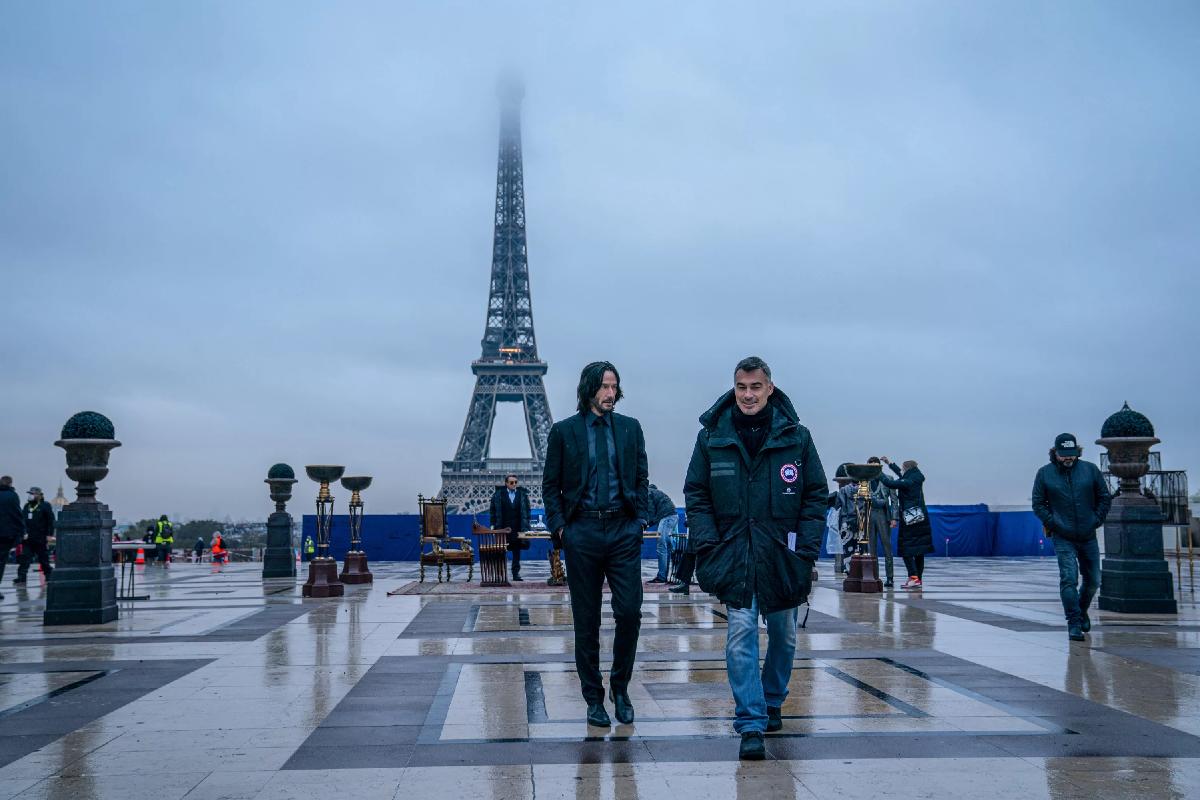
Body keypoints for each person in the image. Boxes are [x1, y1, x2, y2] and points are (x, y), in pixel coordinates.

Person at [684, 357, 827, 760]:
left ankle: (772, 698)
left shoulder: (797, 437)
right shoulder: (712, 437)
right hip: (734, 552)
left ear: (770, 388)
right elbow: (696, 493)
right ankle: (750, 722)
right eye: (741, 387)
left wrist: (806, 550)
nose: (748, 395)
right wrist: (709, 544)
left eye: (755, 387)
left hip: (781, 554)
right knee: (741, 633)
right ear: (734, 388)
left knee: (784, 635)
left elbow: (815, 494)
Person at [542, 361, 649, 728]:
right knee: (585, 621)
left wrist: (639, 522)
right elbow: (550, 486)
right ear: (589, 388)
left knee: (630, 612)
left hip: (622, 529)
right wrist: (561, 530)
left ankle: (621, 687)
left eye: (614, 386)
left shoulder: (631, 429)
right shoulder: (563, 432)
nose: (610, 393)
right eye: (604, 386)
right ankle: (593, 697)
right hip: (582, 532)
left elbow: (641, 476)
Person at [1032, 433, 1112, 641]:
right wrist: (1054, 523)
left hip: (1088, 534)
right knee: (1068, 579)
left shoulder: (1090, 470)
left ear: (1077, 452)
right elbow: (1038, 504)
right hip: (1063, 536)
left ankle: (1081, 609)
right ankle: (1074, 623)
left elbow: (1104, 497)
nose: (1068, 458)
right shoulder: (1045, 474)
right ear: (1055, 453)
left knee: (1094, 579)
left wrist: (1096, 519)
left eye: (1072, 454)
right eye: (1063, 454)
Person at [879, 457, 933, 589]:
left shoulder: (908, 481)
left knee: (906, 549)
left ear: (907, 469)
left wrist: (877, 471)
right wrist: (889, 463)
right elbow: (901, 475)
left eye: (903, 468)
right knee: (919, 551)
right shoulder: (915, 477)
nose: (901, 471)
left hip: (910, 520)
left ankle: (913, 577)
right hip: (920, 518)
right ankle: (918, 579)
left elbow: (889, 483)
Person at [489, 474, 531, 582]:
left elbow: (527, 510)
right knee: (501, 551)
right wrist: (493, 525)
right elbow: (493, 511)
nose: (514, 484)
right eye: (512, 482)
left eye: (516, 482)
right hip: (503, 527)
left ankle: (515, 574)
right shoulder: (498, 495)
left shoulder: (522, 495)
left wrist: (526, 525)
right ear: (506, 483)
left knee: (517, 551)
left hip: (517, 527)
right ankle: (500, 574)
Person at [866, 457, 897, 588]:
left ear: (880, 467)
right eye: (871, 466)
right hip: (869, 514)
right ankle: (874, 576)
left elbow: (894, 500)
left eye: (876, 466)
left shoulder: (888, 479)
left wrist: (894, 518)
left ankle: (890, 577)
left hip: (883, 514)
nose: (873, 469)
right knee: (870, 548)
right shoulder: (864, 480)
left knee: (887, 546)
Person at [15, 486, 54, 584]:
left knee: (43, 559)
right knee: (25, 558)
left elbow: (51, 521)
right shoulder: (26, 506)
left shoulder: (45, 505)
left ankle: (48, 575)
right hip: (28, 538)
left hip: (40, 538)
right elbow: (22, 521)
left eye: (33, 494)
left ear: (39, 495)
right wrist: (23, 533)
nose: (30, 496)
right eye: (30, 494)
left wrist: (50, 534)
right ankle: (21, 577)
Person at [647, 483, 679, 583]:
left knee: (661, 547)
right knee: (668, 547)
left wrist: (646, 524)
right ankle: (670, 575)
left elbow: (651, 512)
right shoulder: (657, 492)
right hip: (673, 517)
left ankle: (662, 577)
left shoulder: (648, 492)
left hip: (666, 518)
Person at [0, 477, 25, 597]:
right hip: (5, 535)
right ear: (10, 483)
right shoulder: (12, 496)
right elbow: (17, 515)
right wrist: (21, 532)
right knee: (0, 562)